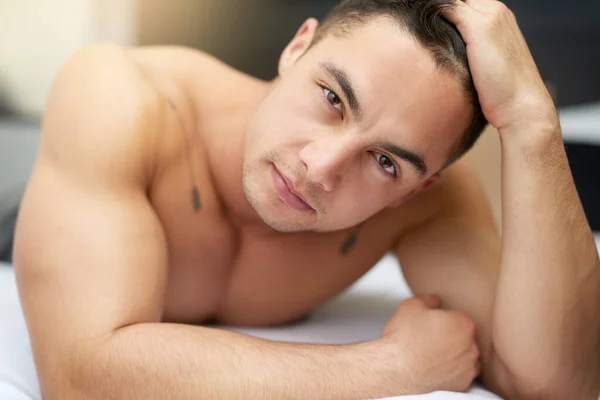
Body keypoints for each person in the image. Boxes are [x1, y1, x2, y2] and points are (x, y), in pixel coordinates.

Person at [12, 0, 600, 399]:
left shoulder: (430, 204)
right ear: (298, 48)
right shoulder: (121, 99)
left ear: (419, 186)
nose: (319, 168)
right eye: (333, 98)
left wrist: (531, 123)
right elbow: (80, 379)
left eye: (385, 162)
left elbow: (552, 383)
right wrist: (391, 366)